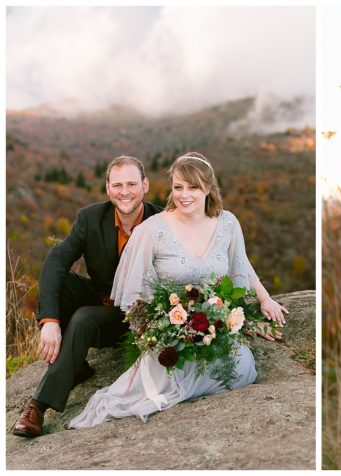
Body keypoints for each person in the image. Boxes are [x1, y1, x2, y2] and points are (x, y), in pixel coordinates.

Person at [66, 152, 288, 429]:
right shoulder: (152, 230)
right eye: (178, 187)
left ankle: (194, 384)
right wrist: (157, 329)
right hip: (170, 335)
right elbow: (135, 291)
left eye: (193, 187)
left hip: (214, 327)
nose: (184, 195)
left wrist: (264, 299)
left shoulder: (228, 223)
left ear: (208, 187)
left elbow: (240, 263)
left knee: (242, 368)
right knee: (168, 377)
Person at [13, 156, 162, 438]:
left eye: (132, 183)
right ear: (107, 188)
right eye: (117, 184)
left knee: (83, 318)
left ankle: (39, 405)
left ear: (145, 185)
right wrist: (51, 321)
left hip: (138, 317)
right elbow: (56, 261)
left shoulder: (163, 222)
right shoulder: (91, 217)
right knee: (58, 281)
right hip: (103, 298)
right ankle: (76, 367)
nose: (125, 191)